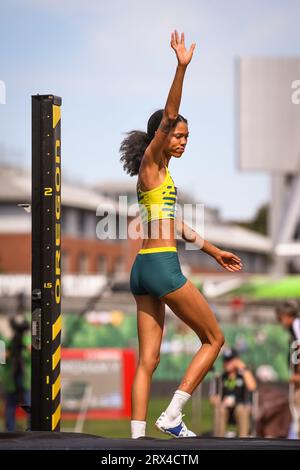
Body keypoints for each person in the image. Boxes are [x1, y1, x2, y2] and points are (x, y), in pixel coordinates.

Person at [120, 29, 243, 439]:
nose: (183, 140)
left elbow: (177, 226)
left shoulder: (162, 176)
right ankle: (173, 414)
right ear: (161, 136)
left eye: (187, 136)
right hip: (160, 267)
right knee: (214, 338)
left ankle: (136, 442)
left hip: (142, 270)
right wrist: (181, 66)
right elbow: (170, 112)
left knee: (148, 360)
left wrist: (213, 250)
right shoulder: (152, 162)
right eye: (178, 134)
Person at [209, 348, 257, 437]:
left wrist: (242, 367)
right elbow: (212, 398)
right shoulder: (220, 377)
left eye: (230, 360)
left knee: (241, 409)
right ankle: (218, 442)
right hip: (225, 409)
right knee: (220, 410)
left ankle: (243, 441)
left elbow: (252, 387)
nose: (227, 363)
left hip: (240, 409)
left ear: (237, 361)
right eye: (225, 361)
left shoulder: (243, 375)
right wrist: (219, 402)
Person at [3, 312, 31, 431]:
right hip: (11, 381)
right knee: (10, 406)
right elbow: (2, 360)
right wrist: (9, 352)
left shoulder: (27, 341)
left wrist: (24, 348)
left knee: (29, 406)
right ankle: (10, 430)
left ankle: (32, 429)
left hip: (25, 381)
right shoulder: (6, 342)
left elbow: (31, 358)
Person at [276, 300, 300, 437]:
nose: (280, 322)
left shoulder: (297, 325)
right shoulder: (294, 328)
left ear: (286, 315)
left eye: (280, 318)